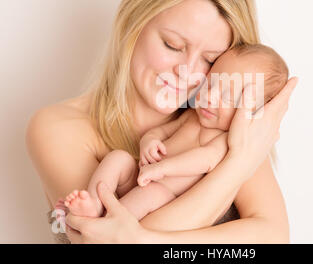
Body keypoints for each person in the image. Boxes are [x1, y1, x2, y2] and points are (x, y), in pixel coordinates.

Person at [25, 0, 298, 243]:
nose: (188, 72)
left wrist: (141, 240)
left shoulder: (221, 121)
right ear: (132, 23)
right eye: (172, 45)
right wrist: (239, 165)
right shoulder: (58, 128)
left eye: (210, 59)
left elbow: (274, 237)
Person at [60, 44, 289, 224]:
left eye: (227, 97)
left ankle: (108, 225)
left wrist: (163, 169)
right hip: (141, 174)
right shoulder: (192, 116)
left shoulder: (224, 140)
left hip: (165, 197)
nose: (209, 97)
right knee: (118, 158)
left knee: (150, 194)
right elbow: (161, 131)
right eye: (210, 85)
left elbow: (205, 161)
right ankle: (94, 202)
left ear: (252, 111)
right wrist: (149, 142)